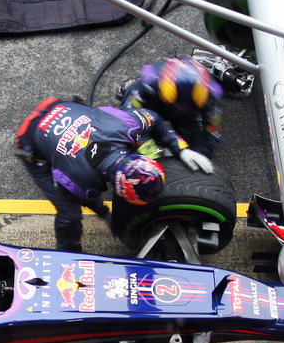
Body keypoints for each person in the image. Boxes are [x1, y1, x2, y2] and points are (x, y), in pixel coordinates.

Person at [13, 98, 172, 251]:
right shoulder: (84, 182)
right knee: (70, 215)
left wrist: (181, 148)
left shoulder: (127, 126)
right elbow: (84, 195)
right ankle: (68, 254)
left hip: (59, 106)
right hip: (29, 135)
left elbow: (153, 118)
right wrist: (103, 212)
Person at [115, 57, 223, 169]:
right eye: (178, 104)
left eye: (184, 105)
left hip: (187, 115)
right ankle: (129, 86)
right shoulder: (149, 80)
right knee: (129, 138)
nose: (180, 107)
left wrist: (201, 154)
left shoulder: (211, 93)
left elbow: (213, 130)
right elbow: (128, 117)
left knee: (192, 138)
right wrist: (151, 151)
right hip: (154, 105)